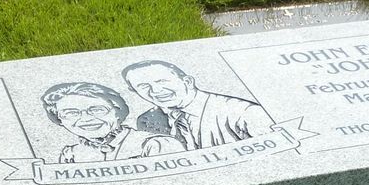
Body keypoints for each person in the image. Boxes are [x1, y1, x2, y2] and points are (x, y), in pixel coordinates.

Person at [121, 60, 270, 149]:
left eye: (161, 81)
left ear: (187, 81)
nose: (155, 91)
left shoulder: (243, 113)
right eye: (143, 86)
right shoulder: (147, 120)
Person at [41, 82, 184, 163]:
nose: (86, 118)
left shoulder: (156, 145)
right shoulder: (70, 154)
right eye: (71, 113)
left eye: (97, 110)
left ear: (118, 111)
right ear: (59, 119)